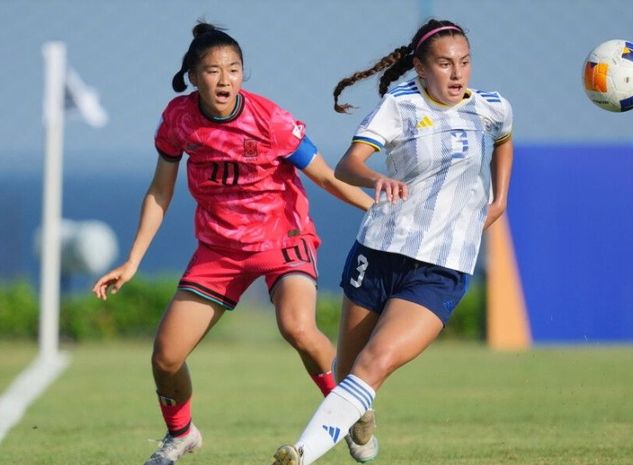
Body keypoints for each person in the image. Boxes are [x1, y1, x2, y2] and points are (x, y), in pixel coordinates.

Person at [91, 22, 378, 465]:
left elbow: (323, 176)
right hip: (219, 249)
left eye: (234, 69)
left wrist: (375, 209)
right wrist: (132, 261)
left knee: (297, 327)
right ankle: (181, 434)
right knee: (166, 356)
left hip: (283, 237)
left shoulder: (272, 121)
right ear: (193, 76)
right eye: (212, 70)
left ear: (244, 74)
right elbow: (159, 192)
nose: (224, 79)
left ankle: (352, 408)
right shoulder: (179, 119)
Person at [271, 18, 513, 465]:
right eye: (445, 64)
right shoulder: (398, 105)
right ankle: (359, 420)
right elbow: (347, 166)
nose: (457, 74)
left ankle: (300, 454)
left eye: (464, 62)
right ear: (420, 69)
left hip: (441, 267)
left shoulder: (491, 107)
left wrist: (500, 197)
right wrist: (377, 177)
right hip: (379, 251)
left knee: (375, 362)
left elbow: (503, 138)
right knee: (348, 373)